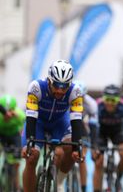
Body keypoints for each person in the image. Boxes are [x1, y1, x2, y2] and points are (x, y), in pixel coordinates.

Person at [21, 59, 84, 192]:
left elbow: (76, 121)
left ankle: (60, 181)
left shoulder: (75, 91)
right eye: (56, 85)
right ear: (49, 80)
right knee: (32, 158)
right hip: (38, 122)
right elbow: (31, 116)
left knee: (71, 148)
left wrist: (76, 148)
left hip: (60, 122)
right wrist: (29, 142)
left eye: (64, 86)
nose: (60, 91)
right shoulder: (36, 87)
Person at [92, 84, 123, 192]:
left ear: (119, 100)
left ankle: (118, 179)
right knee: (98, 162)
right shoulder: (97, 105)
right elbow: (94, 129)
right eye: (107, 100)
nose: (110, 104)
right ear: (103, 98)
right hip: (101, 131)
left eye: (113, 101)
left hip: (117, 131)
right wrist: (94, 147)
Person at [74, 80, 99, 192]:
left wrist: (93, 145)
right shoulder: (68, 98)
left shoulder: (91, 104)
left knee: (82, 158)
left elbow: (93, 127)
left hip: (81, 125)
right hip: (67, 123)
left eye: (82, 96)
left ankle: (83, 188)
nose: (79, 98)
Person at [0, 94, 25, 191]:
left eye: (10, 111)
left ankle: (16, 186)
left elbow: (26, 126)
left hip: (14, 135)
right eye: (5, 112)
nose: (8, 115)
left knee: (16, 162)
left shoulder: (19, 115)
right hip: (1, 135)